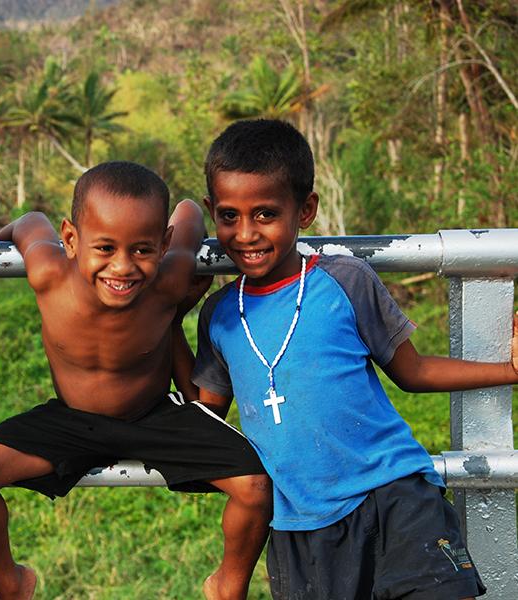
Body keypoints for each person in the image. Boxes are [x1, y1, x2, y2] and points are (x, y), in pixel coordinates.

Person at [182, 118, 518, 599]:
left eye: (266, 214)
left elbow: (413, 371)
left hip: (395, 495)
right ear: (212, 211)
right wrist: (167, 313)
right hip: (300, 525)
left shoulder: (345, 281)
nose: (246, 233)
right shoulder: (219, 316)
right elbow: (205, 415)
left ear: (306, 210)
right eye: (229, 216)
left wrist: (509, 371)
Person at [0, 161, 271, 600]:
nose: (122, 267)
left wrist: (176, 282)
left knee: (256, 486)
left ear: (164, 244)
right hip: (72, 420)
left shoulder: (170, 279)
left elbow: (187, 210)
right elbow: (27, 222)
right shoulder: (47, 272)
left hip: (154, 417)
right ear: (70, 239)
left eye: (142, 250)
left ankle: (228, 584)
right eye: (104, 248)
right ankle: (9, 579)